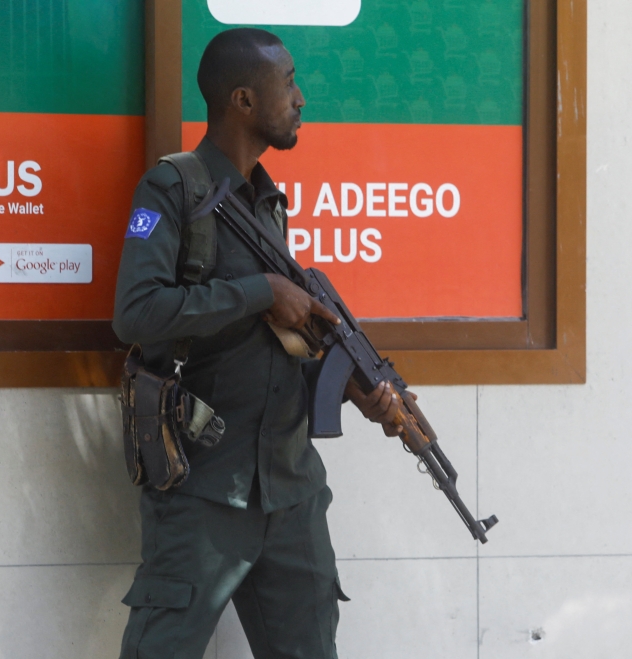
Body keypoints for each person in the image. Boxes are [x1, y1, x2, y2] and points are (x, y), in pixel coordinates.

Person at [112, 28, 403, 659]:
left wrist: (356, 391)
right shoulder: (174, 191)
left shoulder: (269, 204)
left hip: (290, 487)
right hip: (203, 487)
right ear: (243, 99)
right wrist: (260, 291)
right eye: (289, 82)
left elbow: (278, 348)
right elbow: (136, 314)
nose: (301, 97)